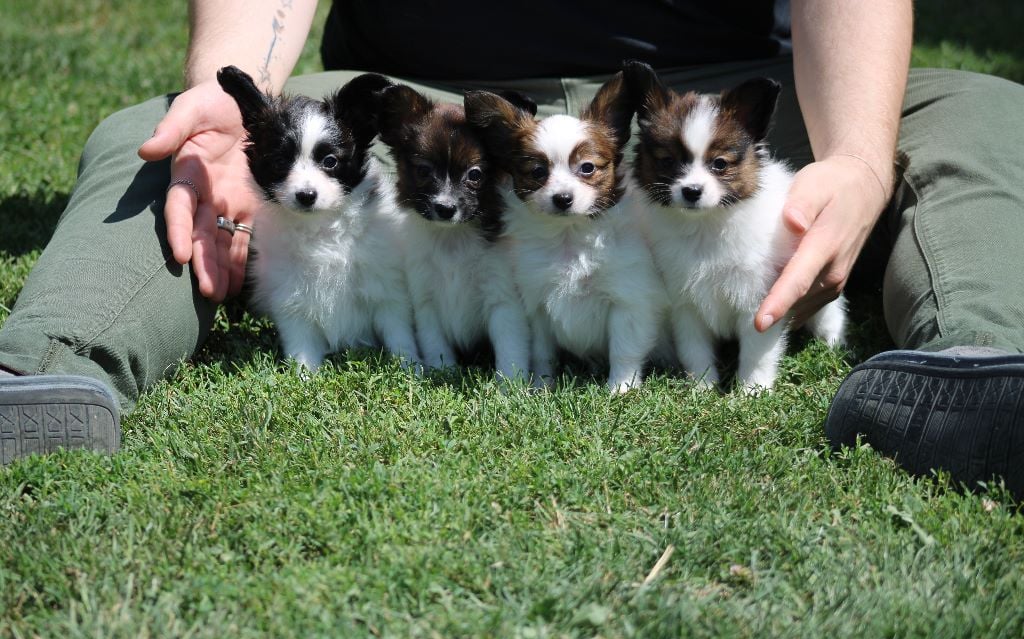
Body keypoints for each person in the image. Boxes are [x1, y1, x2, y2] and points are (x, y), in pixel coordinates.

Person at [1, 1, 1022, 494]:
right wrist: (231, 84)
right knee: (175, 133)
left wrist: (855, 153)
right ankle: (40, 373)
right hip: (446, 110)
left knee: (971, 111)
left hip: (717, 103)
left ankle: (977, 368)